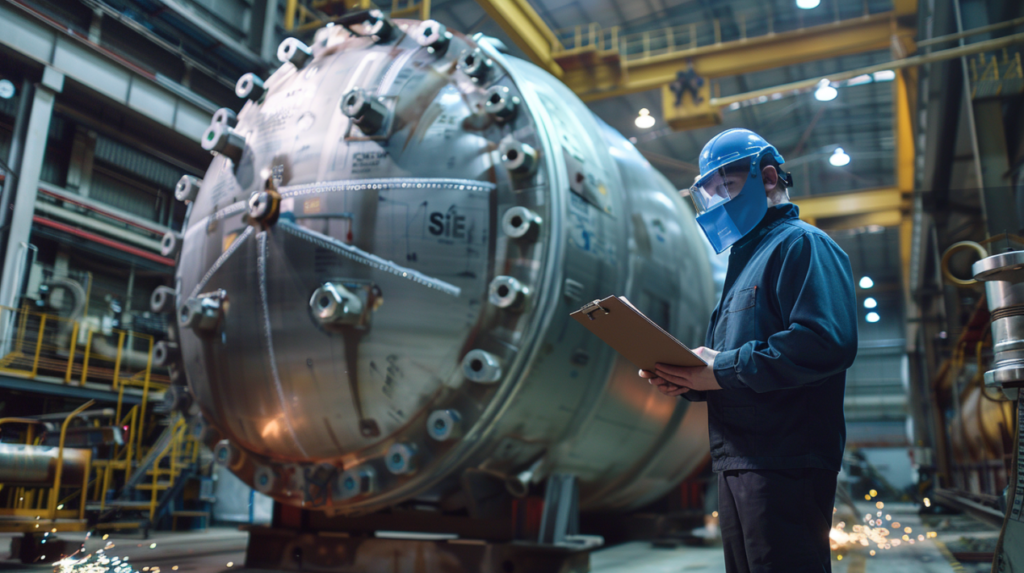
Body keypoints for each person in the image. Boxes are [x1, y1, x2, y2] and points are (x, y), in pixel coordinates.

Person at [640, 128, 858, 572]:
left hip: (786, 461)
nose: (719, 202)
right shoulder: (742, 267)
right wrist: (687, 379)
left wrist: (718, 370)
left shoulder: (803, 245)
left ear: (769, 177)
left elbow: (824, 342)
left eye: (728, 186)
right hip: (737, 459)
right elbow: (729, 368)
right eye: (712, 192)